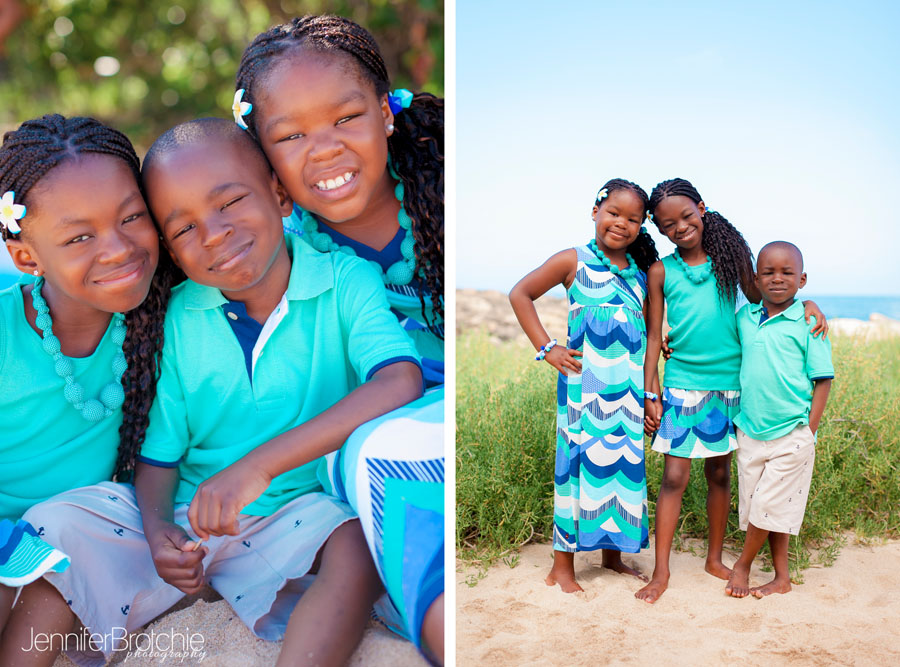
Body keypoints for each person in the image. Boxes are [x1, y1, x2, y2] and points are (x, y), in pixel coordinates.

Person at [20, 118, 424, 666]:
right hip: (193, 520)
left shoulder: (345, 281)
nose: (213, 234)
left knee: (354, 548)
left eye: (230, 202)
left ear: (279, 196)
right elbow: (159, 455)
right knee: (60, 526)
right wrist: (161, 529)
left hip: (299, 516)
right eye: (182, 229)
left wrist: (259, 466)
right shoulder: (181, 316)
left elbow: (399, 379)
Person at [234, 15, 445, 661]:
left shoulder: (444, 189)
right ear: (261, 154)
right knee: (383, 459)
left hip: (447, 410)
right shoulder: (278, 252)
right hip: (374, 432)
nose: (322, 148)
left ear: (384, 112)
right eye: (290, 133)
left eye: (345, 118)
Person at [0, 114, 178, 660]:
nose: (118, 248)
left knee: (55, 561)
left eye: (132, 217)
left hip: (85, 542)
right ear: (26, 256)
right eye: (79, 236)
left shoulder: (171, 317)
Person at [635, 178, 828, 604]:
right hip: (684, 386)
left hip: (732, 387)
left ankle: (713, 558)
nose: (680, 227)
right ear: (659, 227)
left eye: (686, 216)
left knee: (720, 474)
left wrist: (810, 305)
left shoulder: (732, 259)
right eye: (668, 224)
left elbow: (773, 298)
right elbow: (654, 336)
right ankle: (661, 571)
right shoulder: (661, 271)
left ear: (702, 209)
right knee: (674, 477)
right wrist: (651, 390)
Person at [509, 179, 659, 593]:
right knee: (575, 470)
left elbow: (649, 340)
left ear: (642, 225)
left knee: (622, 472)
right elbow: (520, 294)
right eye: (613, 213)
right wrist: (548, 348)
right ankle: (562, 568)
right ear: (595, 211)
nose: (621, 224)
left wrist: (650, 394)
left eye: (633, 219)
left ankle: (613, 557)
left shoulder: (642, 274)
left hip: (627, 391)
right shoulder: (572, 260)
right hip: (584, 387)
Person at [726, 241, 833, 598]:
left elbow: (823, 380)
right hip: (751, 429)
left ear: (802, 280)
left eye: (787, 273)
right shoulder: (745, 318)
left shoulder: (808, 323)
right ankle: (782, 577)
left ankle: (742, 565)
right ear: (755, 279)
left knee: (768, 504)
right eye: (768, 272)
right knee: (770, 505)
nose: (777, 279)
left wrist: (810, 430)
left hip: (793, 432)